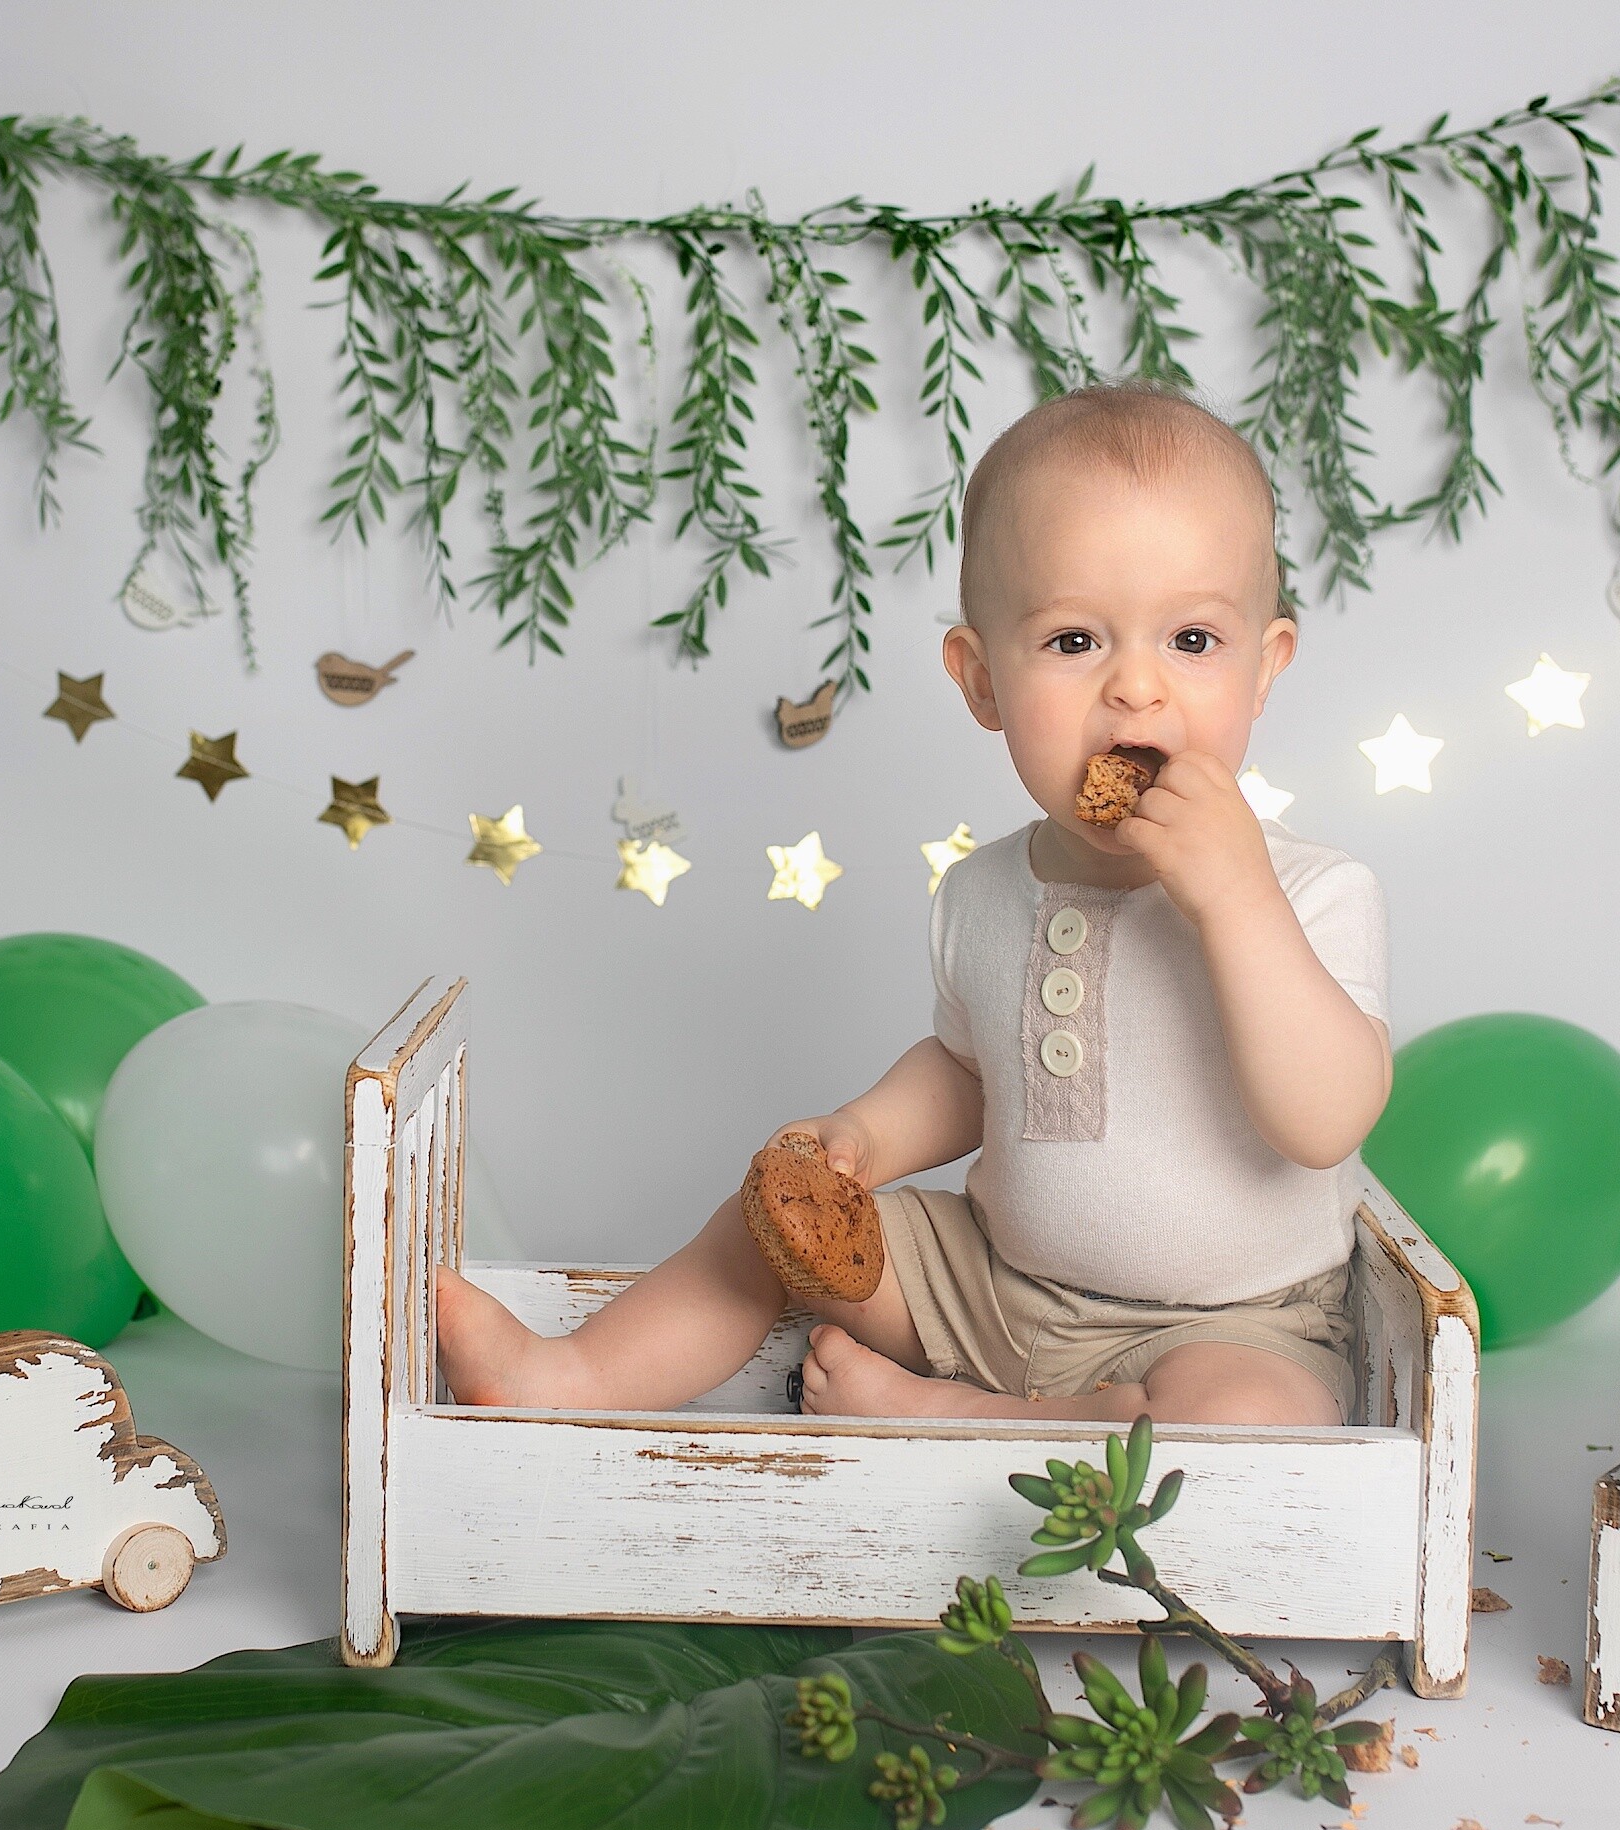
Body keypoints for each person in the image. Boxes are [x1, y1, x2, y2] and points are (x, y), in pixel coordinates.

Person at [437, 380, 1393, 1427]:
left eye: (1193, 641)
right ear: (980, 681)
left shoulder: (1313, 892)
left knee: (1245, 1423)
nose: (1136, 687)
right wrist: (864, 1135)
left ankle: (962, 1418)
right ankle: (566, 1377)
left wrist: (1237, 899)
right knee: (774, 1224)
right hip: (994, 1286)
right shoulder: (984, 890)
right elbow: (972, 1071)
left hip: (1232, 1325)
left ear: (1266, 668)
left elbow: (1325, 1122)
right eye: (1074, 641)